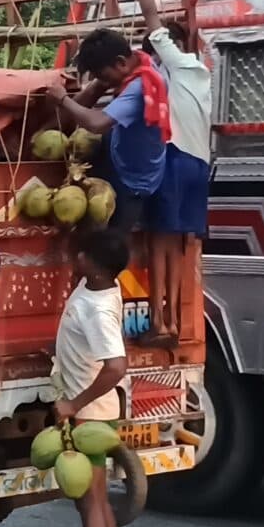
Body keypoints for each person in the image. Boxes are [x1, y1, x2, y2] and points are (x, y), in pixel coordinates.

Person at [46, 26, 190, 344]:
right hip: (120, 158)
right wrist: (91, 86)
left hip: (131, 181)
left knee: (105, 256)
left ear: (122, 61)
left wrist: (61, 100)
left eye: (103, 72)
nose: (103, 79)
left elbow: (96, 122)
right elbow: (84, 105)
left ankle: (98, 331)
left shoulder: (140, 86)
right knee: (90, 240)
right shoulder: (134, 67)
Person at [130, 0, 215, 343]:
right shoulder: (201, 74)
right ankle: (175, 322)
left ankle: (160, 322)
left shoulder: (177, 65)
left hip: (176, 160)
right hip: (200, 163)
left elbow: (150, 15)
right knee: (180, 244)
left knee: (158, 241)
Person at [50, 229, 132, 527]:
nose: (76, 257)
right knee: (99, 504)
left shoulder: (98, 310)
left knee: (92, 506)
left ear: (95, 267)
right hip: (92, 411)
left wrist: (72, 403)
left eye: (83, 254)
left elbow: (116, 366)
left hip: (91, 415)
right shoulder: (98, 285)